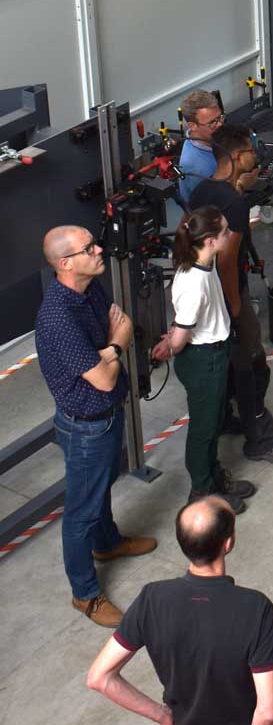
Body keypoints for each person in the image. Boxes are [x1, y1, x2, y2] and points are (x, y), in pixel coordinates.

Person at [86, 496, 273, 725]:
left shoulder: (152, 598)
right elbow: (266, 712)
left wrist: (162, 715)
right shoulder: (254, 608)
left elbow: (99, 677)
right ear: (228, 544)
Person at [34, 226, 158, 628]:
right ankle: (85, 594)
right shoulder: (58, 316)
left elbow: (115, 324)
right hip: (86, 426)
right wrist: (117, 346)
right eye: (90, 248)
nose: (100, 249)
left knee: (99, 487)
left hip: (105, 414)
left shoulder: (89, 290)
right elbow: (106, 369)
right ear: (66, 263)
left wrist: (107, 351)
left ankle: (107, 544)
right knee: (81, 512)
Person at [191, 124, 273, 466]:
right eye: (252, 151)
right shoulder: (236, 206)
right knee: (252, 368)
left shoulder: (201, 192)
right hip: (227, 296)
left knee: (225, 365)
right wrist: (236, 310)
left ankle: (226, 419)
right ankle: (261, 441)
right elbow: (227, 261)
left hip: (206, 300)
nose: (257, 155)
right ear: (238, 157)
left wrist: (240, 188)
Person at [150, 206, 257, 514]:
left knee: (212, 422)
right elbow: (182, 337)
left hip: (214, 354)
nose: (229, 234)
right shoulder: (194, 283)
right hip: (203, 361)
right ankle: (202, 492)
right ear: (210, 240)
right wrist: (171, 343)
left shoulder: (202, 265)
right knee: (204, 430)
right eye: (224, 231)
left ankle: (213, 478)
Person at [176, 90, 225, 207]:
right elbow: (213, 207)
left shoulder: (212, 136)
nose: (220, 125)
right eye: (212, 122)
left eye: (220, 117)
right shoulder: (197, 168)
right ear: (193, 126)